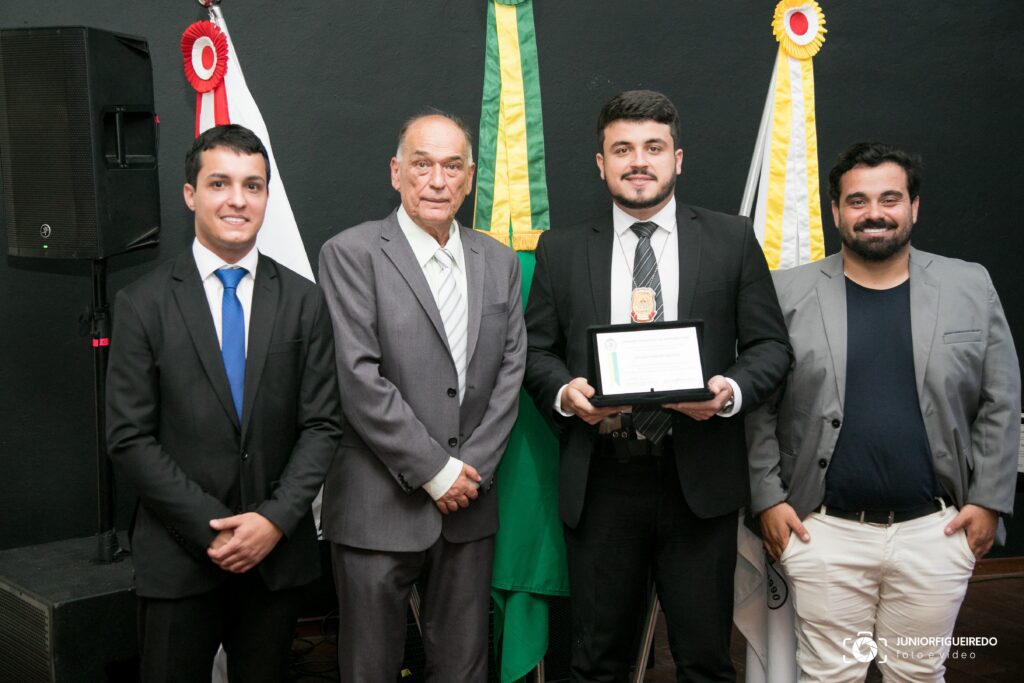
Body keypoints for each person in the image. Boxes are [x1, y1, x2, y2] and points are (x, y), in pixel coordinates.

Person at [523, 90, 791, 682]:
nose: (638, 161)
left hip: (698, 480)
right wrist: (566, 394)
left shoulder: (731, 240)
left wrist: (728, 393)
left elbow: (772, 347)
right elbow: (535, 352)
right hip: (603, 481)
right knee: (597, 662)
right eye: (622, 149)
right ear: (601, 163)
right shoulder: (560, 250)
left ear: (678, 159)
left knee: (705, 661)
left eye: (653, 147)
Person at [746, 141, 1021, 681]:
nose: (874, 213)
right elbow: (760, 408)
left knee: (918, 673)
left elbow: (1001, 398)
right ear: (836, 211)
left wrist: (989, 500)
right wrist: (767, 499)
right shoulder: (786, 293)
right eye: (858, 201)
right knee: (829, 675)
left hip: (937, 533)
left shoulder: (970, 285)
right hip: (823, 533)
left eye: (889, 198)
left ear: (913, 206)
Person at [106, 124, 342, 681]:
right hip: (179, 559)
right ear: (191, 194)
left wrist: (272, 521)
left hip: (274, 561)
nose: (238, 199)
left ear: (266, 196)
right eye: (220, 183)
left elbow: (323, 426)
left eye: (252, 186)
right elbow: (129, 438)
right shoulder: (142, 304)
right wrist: (213, 529)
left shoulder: (305, 302)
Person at [318, 112, 526, 681]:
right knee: (371, 670)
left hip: (469, 509)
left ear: (470, 178)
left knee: (464, 671)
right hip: (377, 509)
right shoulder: (350, 253)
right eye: (422, 164)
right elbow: (358, 378)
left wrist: (469, 471)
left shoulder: (500, 261)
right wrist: (437, 471)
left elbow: (511, 373)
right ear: (396, 172)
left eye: (452, 167)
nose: (437, 180)